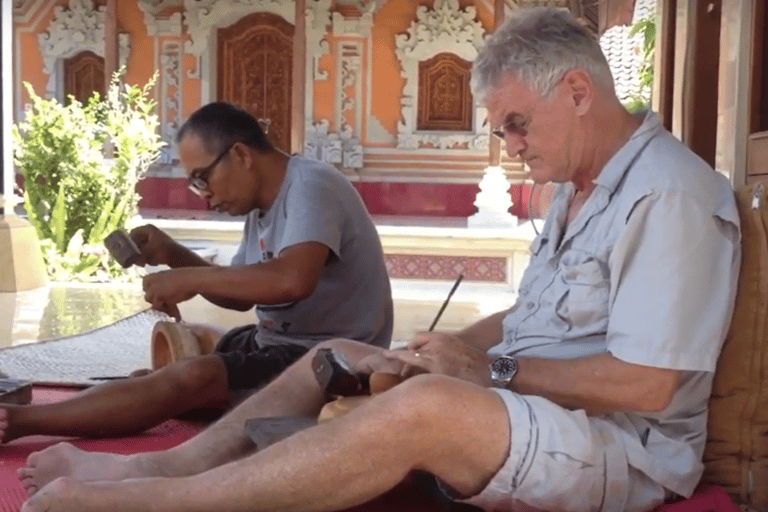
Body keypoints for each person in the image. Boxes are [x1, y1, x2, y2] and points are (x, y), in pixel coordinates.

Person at [17, 8, 740, 512]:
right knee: (338, 352)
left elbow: (650, 386)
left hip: (621, 449)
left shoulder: (669, 195)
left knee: (424, 405)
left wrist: (487, 371)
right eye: (501, 130)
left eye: (517, 124)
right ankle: (153, 466)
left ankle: (156, 503)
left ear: (579, 92)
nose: (511, 147)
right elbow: (531, 318)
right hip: (535, 407)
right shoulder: (576, 191)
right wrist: (451, 346)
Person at [0, 102, 393, 443]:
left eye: (202, 178)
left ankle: (15, 421)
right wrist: (173, 254)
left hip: (329, 361)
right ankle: (153, 395)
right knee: (169, 369)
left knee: (190, 378)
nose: (203, 195)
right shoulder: (262, 207)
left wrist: (188, 279)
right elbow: (240, 299)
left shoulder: (311, 185)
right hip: (275, 346)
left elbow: (292, 280)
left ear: (240, 154)